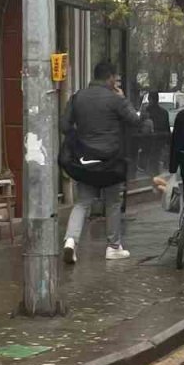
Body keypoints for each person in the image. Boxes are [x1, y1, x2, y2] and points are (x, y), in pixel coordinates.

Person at [60, 61, 140, 263]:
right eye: (116, 78)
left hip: (86, 160)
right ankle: (113, 247)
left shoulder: (78, 97)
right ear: (111, 77)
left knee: (82, 203)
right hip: (111, 161)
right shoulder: (115, 99)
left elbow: (64, 125)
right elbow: (134, 120)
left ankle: (70, 240)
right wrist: (123, 100)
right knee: (113, 203)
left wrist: (80, 140)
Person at [140, 92, 170, 174]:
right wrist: (168, 142)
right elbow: (167, 128)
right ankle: (154, 174)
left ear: (150, 99)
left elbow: (140, 126)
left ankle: (150, 173)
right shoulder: (164, 112)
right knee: (155, 160)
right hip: (159, 141)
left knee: (150, 159)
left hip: (149, 140)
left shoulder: (146, 111)